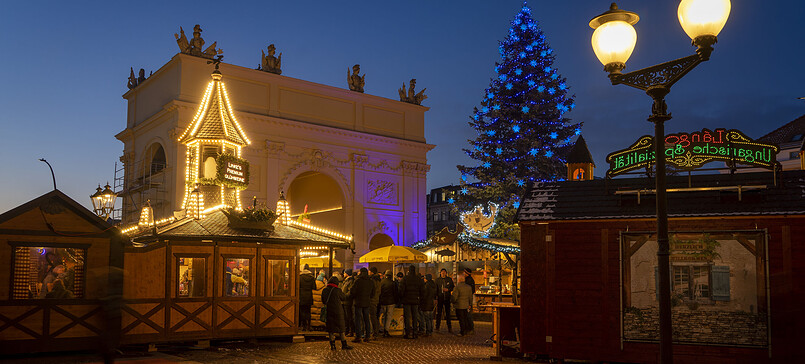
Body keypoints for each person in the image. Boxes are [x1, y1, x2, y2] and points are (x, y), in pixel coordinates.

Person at [322, 276, 353, 351]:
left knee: (331, 328)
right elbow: (344, 297)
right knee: (341, 328)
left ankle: (333, 346)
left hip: (329, 311)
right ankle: (344, 344)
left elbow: (323, 300)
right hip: (338, 311)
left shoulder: (325, 290)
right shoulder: (337, 290)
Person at [349, 267, 375, 343]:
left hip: (358, 302)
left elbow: (352, 291)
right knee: (366, 319)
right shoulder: (370, 282)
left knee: (358, 319)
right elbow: (373, 293)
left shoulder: (358, 281)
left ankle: (358, 336)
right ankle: (367, 336)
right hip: (367, 302)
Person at [399, 265, 423, 339]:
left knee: (407, 317)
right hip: (415, 300)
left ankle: (407, 333)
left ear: (409, 271)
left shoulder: (405, 279)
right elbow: (422, 290)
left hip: (406, 300)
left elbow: (401, 290)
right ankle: (415, 333)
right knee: (414, 317)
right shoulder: (418, 279)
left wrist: (401, 298)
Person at [434, 268, 455, 333]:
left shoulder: (449, 279)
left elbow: (452, 287)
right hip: (440, 298)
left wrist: (448, 290)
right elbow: (435, 290)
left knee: (448, 313)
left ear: (446, 273)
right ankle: (437, 327)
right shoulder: (437, 280)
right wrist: (435, 298)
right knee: (439, 313)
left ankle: (449, 327)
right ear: (440, 273)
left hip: (447, 298)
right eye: (442, 272)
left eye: (444, 272)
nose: (443, 273)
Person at [379, 270, 396, 337]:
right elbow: (395, 293)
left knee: (383, 316)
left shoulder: (381, 282)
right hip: (391, 302)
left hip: (383, 302)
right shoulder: (393, 283)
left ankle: (382, 329)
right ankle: (386, 330)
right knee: (388, 317)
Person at [299, 264, 316, 331]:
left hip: (302, 295)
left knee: (302, 311)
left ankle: (303, 326)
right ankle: (309, 326)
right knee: (308, 311)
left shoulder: (300, 277)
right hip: (309, 296)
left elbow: (298, 286)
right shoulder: (312, 277)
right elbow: (314, 287)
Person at [340, 269, 356, 337]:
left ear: (347, 274)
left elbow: (350, 291)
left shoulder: (350, 281)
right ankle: (346, 330)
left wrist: (345, 296)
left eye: (344, 273)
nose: (343, 274)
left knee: (349, 317)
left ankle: (351, 331)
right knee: (345, 317)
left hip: (347, 301)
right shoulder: (346, 281)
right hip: (344, 301)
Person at [368, 267, 382, 339]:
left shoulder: (373, 280)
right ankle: (375, 332)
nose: (368, 272)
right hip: (376, 299)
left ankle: (375, 333)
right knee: (374, 316)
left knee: (372, 317)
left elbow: (372, 291)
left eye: (369, 271)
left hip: (372, 300)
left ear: (372, 272)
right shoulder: (378, 280)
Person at [462, 268, 476, 334]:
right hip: (467, 299)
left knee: (468, 315)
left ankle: (470, 329)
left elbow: (470, 291)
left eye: (464, 272)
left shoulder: (469, 281)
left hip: (468, 299)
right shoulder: (468, 280)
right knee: (467, 315)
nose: (463, 274)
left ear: (467, 273)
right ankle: (468, 328)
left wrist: (469, 303)